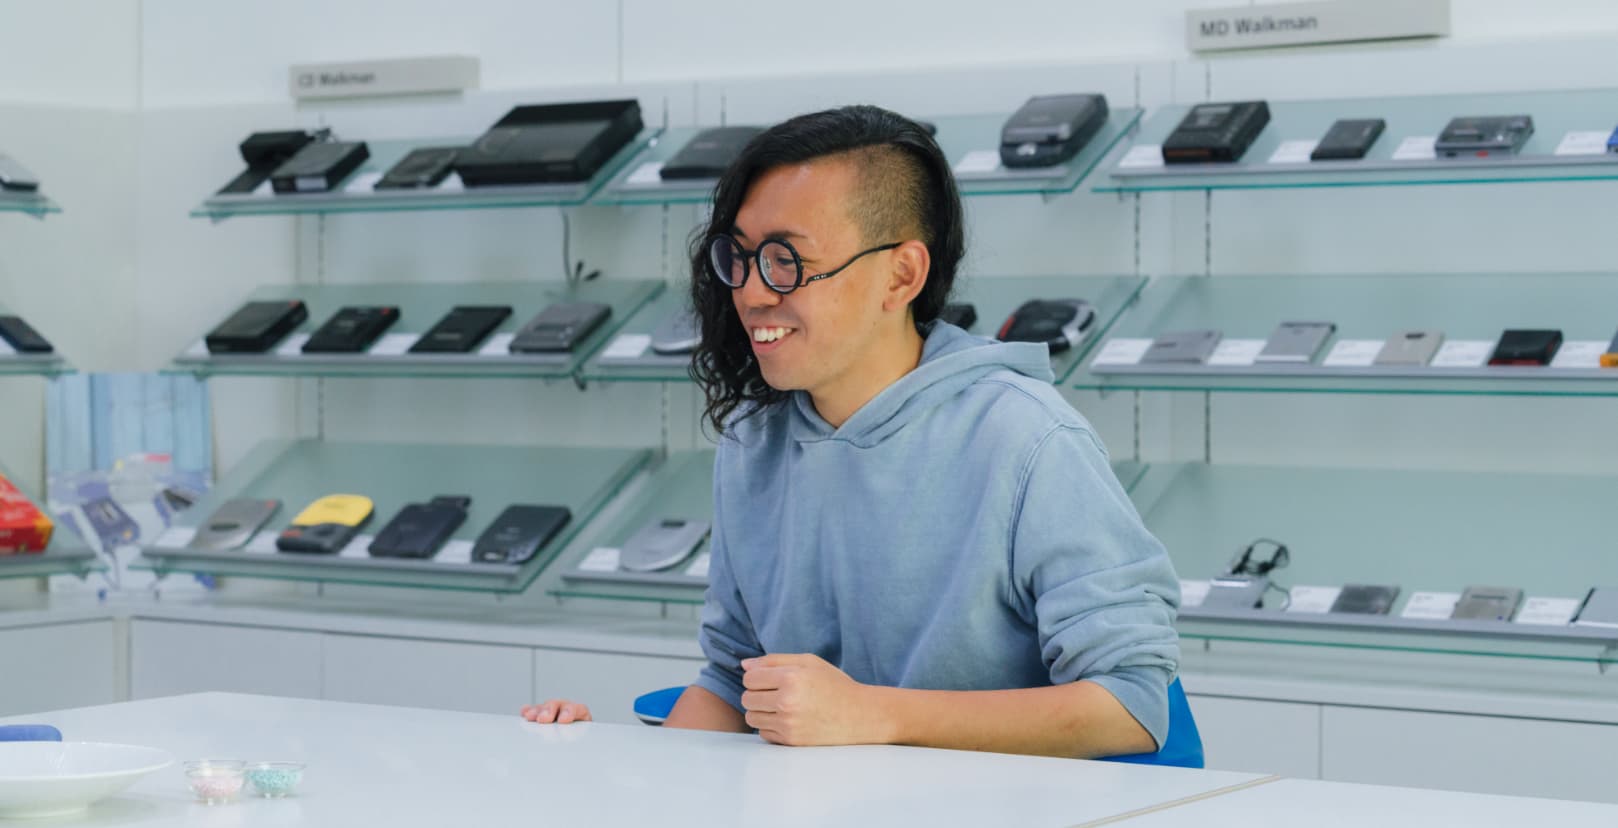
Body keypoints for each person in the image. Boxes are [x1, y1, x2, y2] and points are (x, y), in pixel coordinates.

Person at [522, 105, 1180, 758]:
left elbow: (1129, 705)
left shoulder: (1027, 439)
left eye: (786, 259)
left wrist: (873, 713)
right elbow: (731, 682)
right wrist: (609, 766)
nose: (750, 293)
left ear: (901, 275)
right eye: (741, 257)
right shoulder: (754, 439)